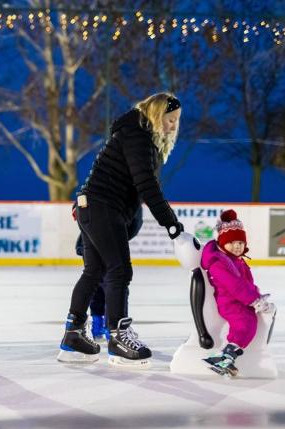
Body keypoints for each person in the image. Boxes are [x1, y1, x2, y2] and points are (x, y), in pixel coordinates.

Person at [57, 92, 185, 368]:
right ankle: (118, 337)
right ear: (156, 114)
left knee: (95, 271)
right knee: (119, 269)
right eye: (170, 119)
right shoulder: (137, 135)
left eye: (176, 121)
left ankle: (73, 335)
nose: (173, 126)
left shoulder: (134, 133)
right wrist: (172, 224)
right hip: (102, 206)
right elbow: (147, 186)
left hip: (93, 205)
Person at [200, 209, 276, 377]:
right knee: (245, 324)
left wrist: (257, 296)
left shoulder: (233, 259)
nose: (237, 246)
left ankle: (229, 357)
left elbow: (246, 283)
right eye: (232, 241)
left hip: (238, 300)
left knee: (249, 324)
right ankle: (225, 356)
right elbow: (235, 285)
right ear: (221, 242)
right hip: (230, 303)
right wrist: (255, 300)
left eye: (240, 243)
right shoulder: (219, 262)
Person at [74, 208, 143, 341]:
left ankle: (99, 324)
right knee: (116, 283)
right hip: (109, 242)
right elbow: (135, 223)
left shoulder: (93, 190)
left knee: (96, 282)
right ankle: (112, 326)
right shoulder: (127, 195)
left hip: (89, 241)